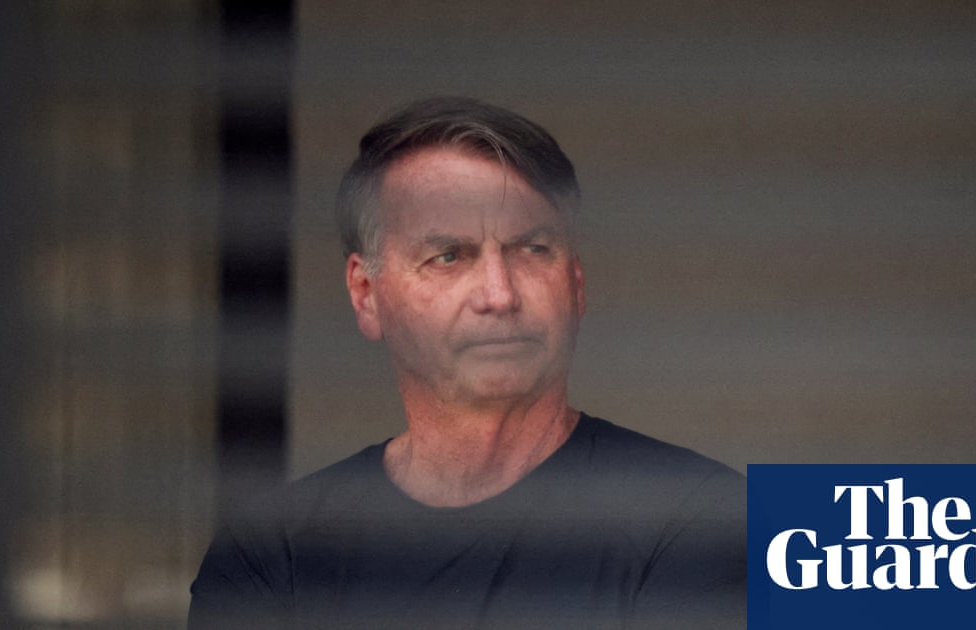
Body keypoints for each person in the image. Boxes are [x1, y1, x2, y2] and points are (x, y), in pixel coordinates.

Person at [188, 97, 745, 629]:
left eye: (532, 249)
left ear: (576, 282)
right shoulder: (270, 556)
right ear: (365, 293)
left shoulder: (725, 522)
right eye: (448, 256)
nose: (499, 295)